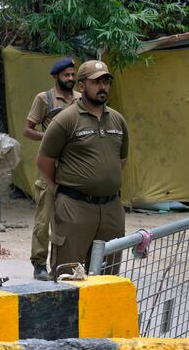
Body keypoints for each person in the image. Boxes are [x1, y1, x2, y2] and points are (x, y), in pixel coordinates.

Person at [36, 60, 128, 276]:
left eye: (106, 81)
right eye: (96, 82)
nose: (102, 87)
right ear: (81, 86)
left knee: (108, 275)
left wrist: (102, 180)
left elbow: (121, 161)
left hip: (111, 209)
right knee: (69, 275)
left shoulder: (117, 120)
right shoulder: (65, 120)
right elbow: (44, 161)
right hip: (74, 208)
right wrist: (65, 189)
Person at [23, 57, 80, 280]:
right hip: (49, 165)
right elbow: (27, 130)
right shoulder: (44, 99)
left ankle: (64, 263)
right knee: (44, 216)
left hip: (74, 166)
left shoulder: (80, 100)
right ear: (56, 76)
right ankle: (39, 264)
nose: (71, 79)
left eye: (73, 75)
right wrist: (48, 137)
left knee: (70, 216)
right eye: (66, 75)